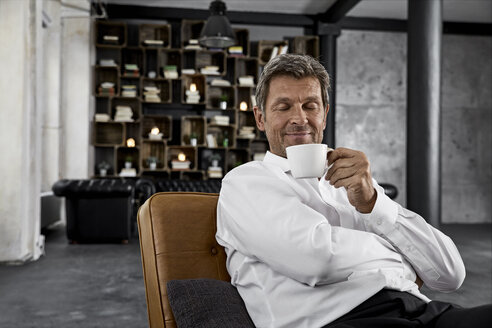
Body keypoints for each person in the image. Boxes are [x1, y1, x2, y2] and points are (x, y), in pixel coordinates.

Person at [216, 54, 491, 328]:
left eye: (310, 106)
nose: (299, 119)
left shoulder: (354, 180)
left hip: (423, 311)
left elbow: (450, 274)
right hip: (341, 321)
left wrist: (372, 203)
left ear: (324, 114)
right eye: (283, 107)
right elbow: (317, 260)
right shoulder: (245, 182)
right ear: (261, 118)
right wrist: (404, 263)